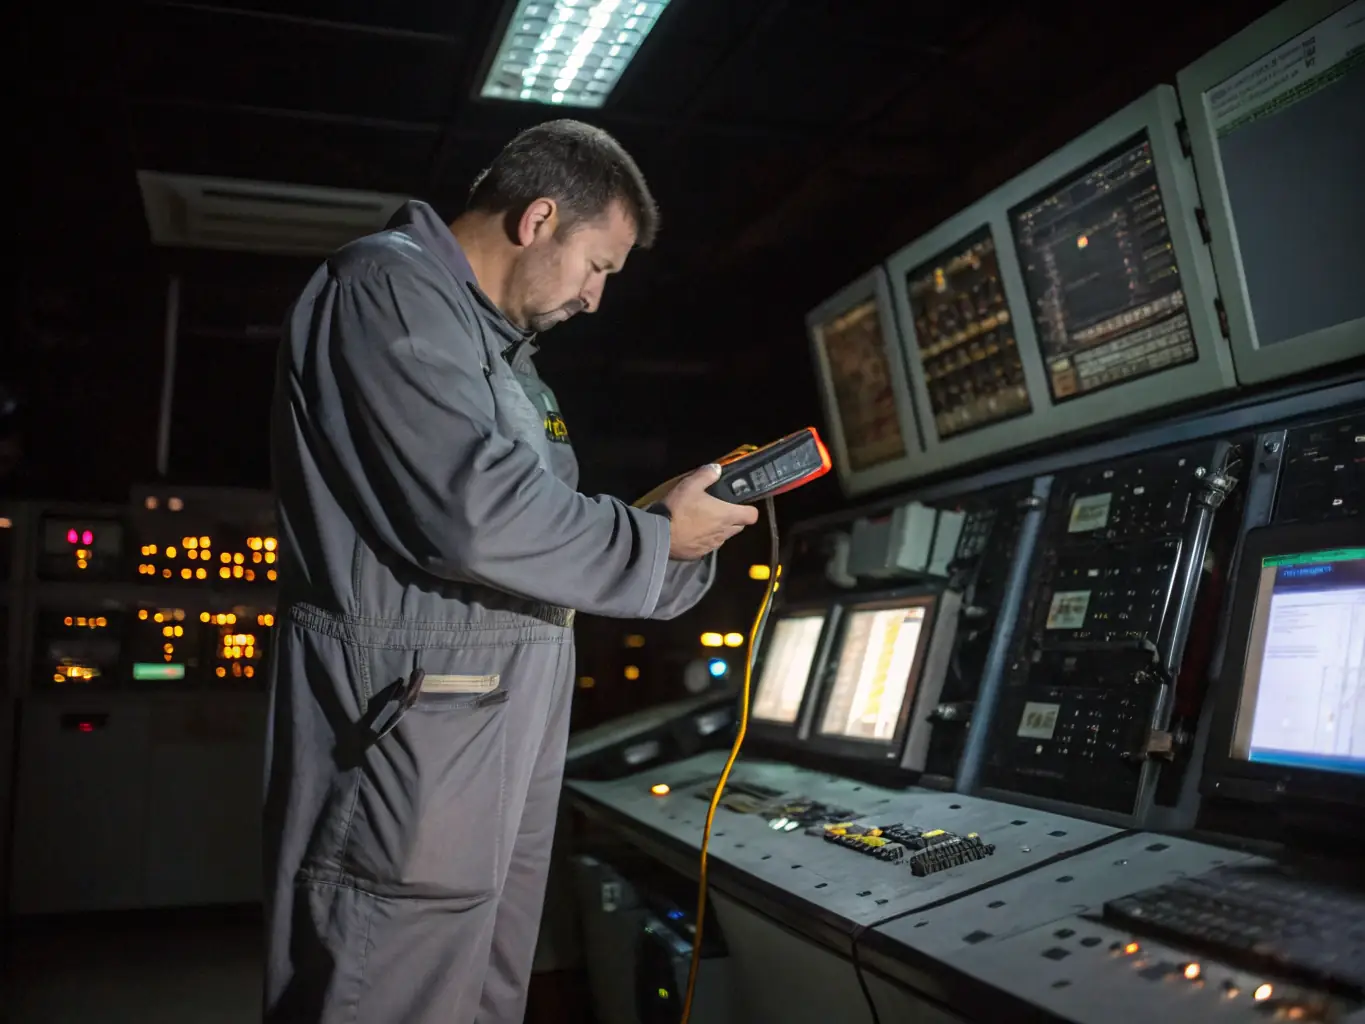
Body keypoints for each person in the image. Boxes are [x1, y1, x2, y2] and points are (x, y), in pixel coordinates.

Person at [263, 119, 757, 1023]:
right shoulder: (384, 290)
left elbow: (529, 538)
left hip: (496, 716)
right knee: (391, 981)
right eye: (597, 266)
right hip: (413, 719)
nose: (596, 299)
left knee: (480, 988)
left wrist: (666, 532)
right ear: (537, 220)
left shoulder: (497, 353)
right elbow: (470, 513)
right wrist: (650, 542)